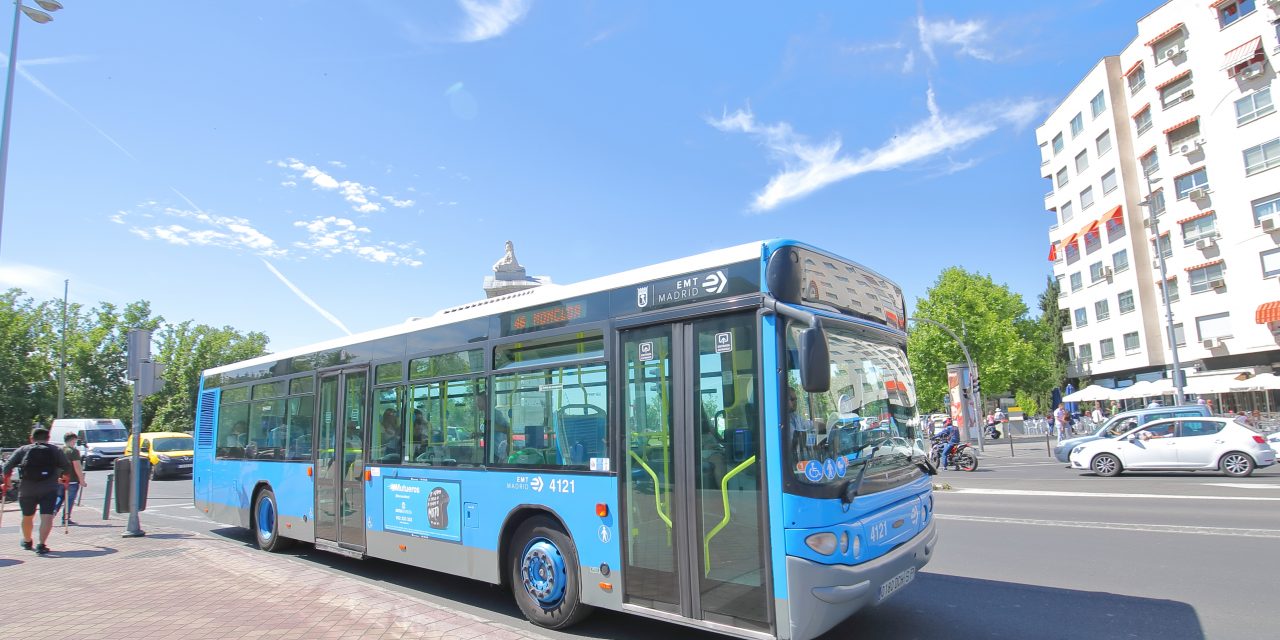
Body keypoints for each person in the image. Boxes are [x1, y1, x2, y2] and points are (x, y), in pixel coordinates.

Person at [2, 426, 74, 555]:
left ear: (31, 438)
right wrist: (63, 479)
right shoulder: (55, 450)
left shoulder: (23, 450)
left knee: (27, 516)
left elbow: (7, 467)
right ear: (48, 438)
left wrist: (7, 482)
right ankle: (41, 545)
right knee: (46, 517)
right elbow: (67, 467)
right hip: (49, 489)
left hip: (27, 489)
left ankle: (27, 541)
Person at [52, 431, 88, 526]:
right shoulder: (74, 451)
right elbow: (77, 466)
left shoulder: (59, 450)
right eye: (75, 441)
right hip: (71, 479)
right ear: (72, 440)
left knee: (60, 497)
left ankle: (53, 512)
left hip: (61, 479)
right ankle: (66, 518)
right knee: (70, 499)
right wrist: (81, 480)